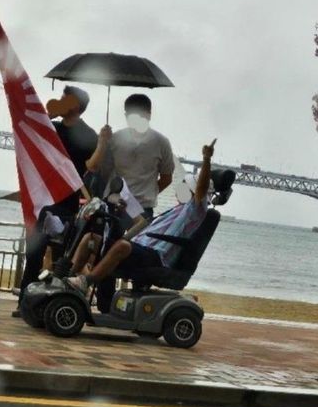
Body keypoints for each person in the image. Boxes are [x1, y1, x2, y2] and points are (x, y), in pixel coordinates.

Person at [67, 139, 216, 296]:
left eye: (185, 184)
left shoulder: (193, 211)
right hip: (141, 249)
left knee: (122, 246)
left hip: (156, 256)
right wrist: (125, 209)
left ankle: (86, 282)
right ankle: (68, 279)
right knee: (91, 239)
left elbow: (201, 189)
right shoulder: (175, 210)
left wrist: (206, 159)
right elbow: (143, 225)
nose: (181, 187)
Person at [14, 87, 98, 315]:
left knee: (61, 258)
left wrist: (103, 142)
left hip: (66, 203)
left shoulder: (89, 136)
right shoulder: (52, 128)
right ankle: (25, 304)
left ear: (75, 105)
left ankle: (53, 305)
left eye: (64, 99)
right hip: (42, 201)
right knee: (33, 254)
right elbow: (28, 132)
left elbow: (93, 167)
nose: (59, 101)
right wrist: (48, 116)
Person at [85, 93, 175, 225]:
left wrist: (148, 194)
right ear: (126, 116)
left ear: (149, 115)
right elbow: (92, 167)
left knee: (136, 239)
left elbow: (167, 178)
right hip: (114, 204)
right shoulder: (115, 138)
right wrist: (102, 143)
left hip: (142, 209)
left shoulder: (161, 143)